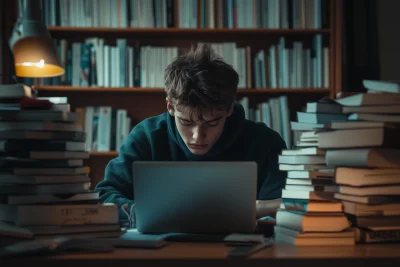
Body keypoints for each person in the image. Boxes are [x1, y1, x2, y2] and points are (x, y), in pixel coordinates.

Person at [95, 44, 287, 224]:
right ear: (170, 106)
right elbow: (105, 195)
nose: (197, 136)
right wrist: (145, 213)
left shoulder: (266, 142)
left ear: (229, 108)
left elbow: (286, 209)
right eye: (186, 122)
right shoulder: (146, 137)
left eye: (212, 123)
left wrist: (259, 209)